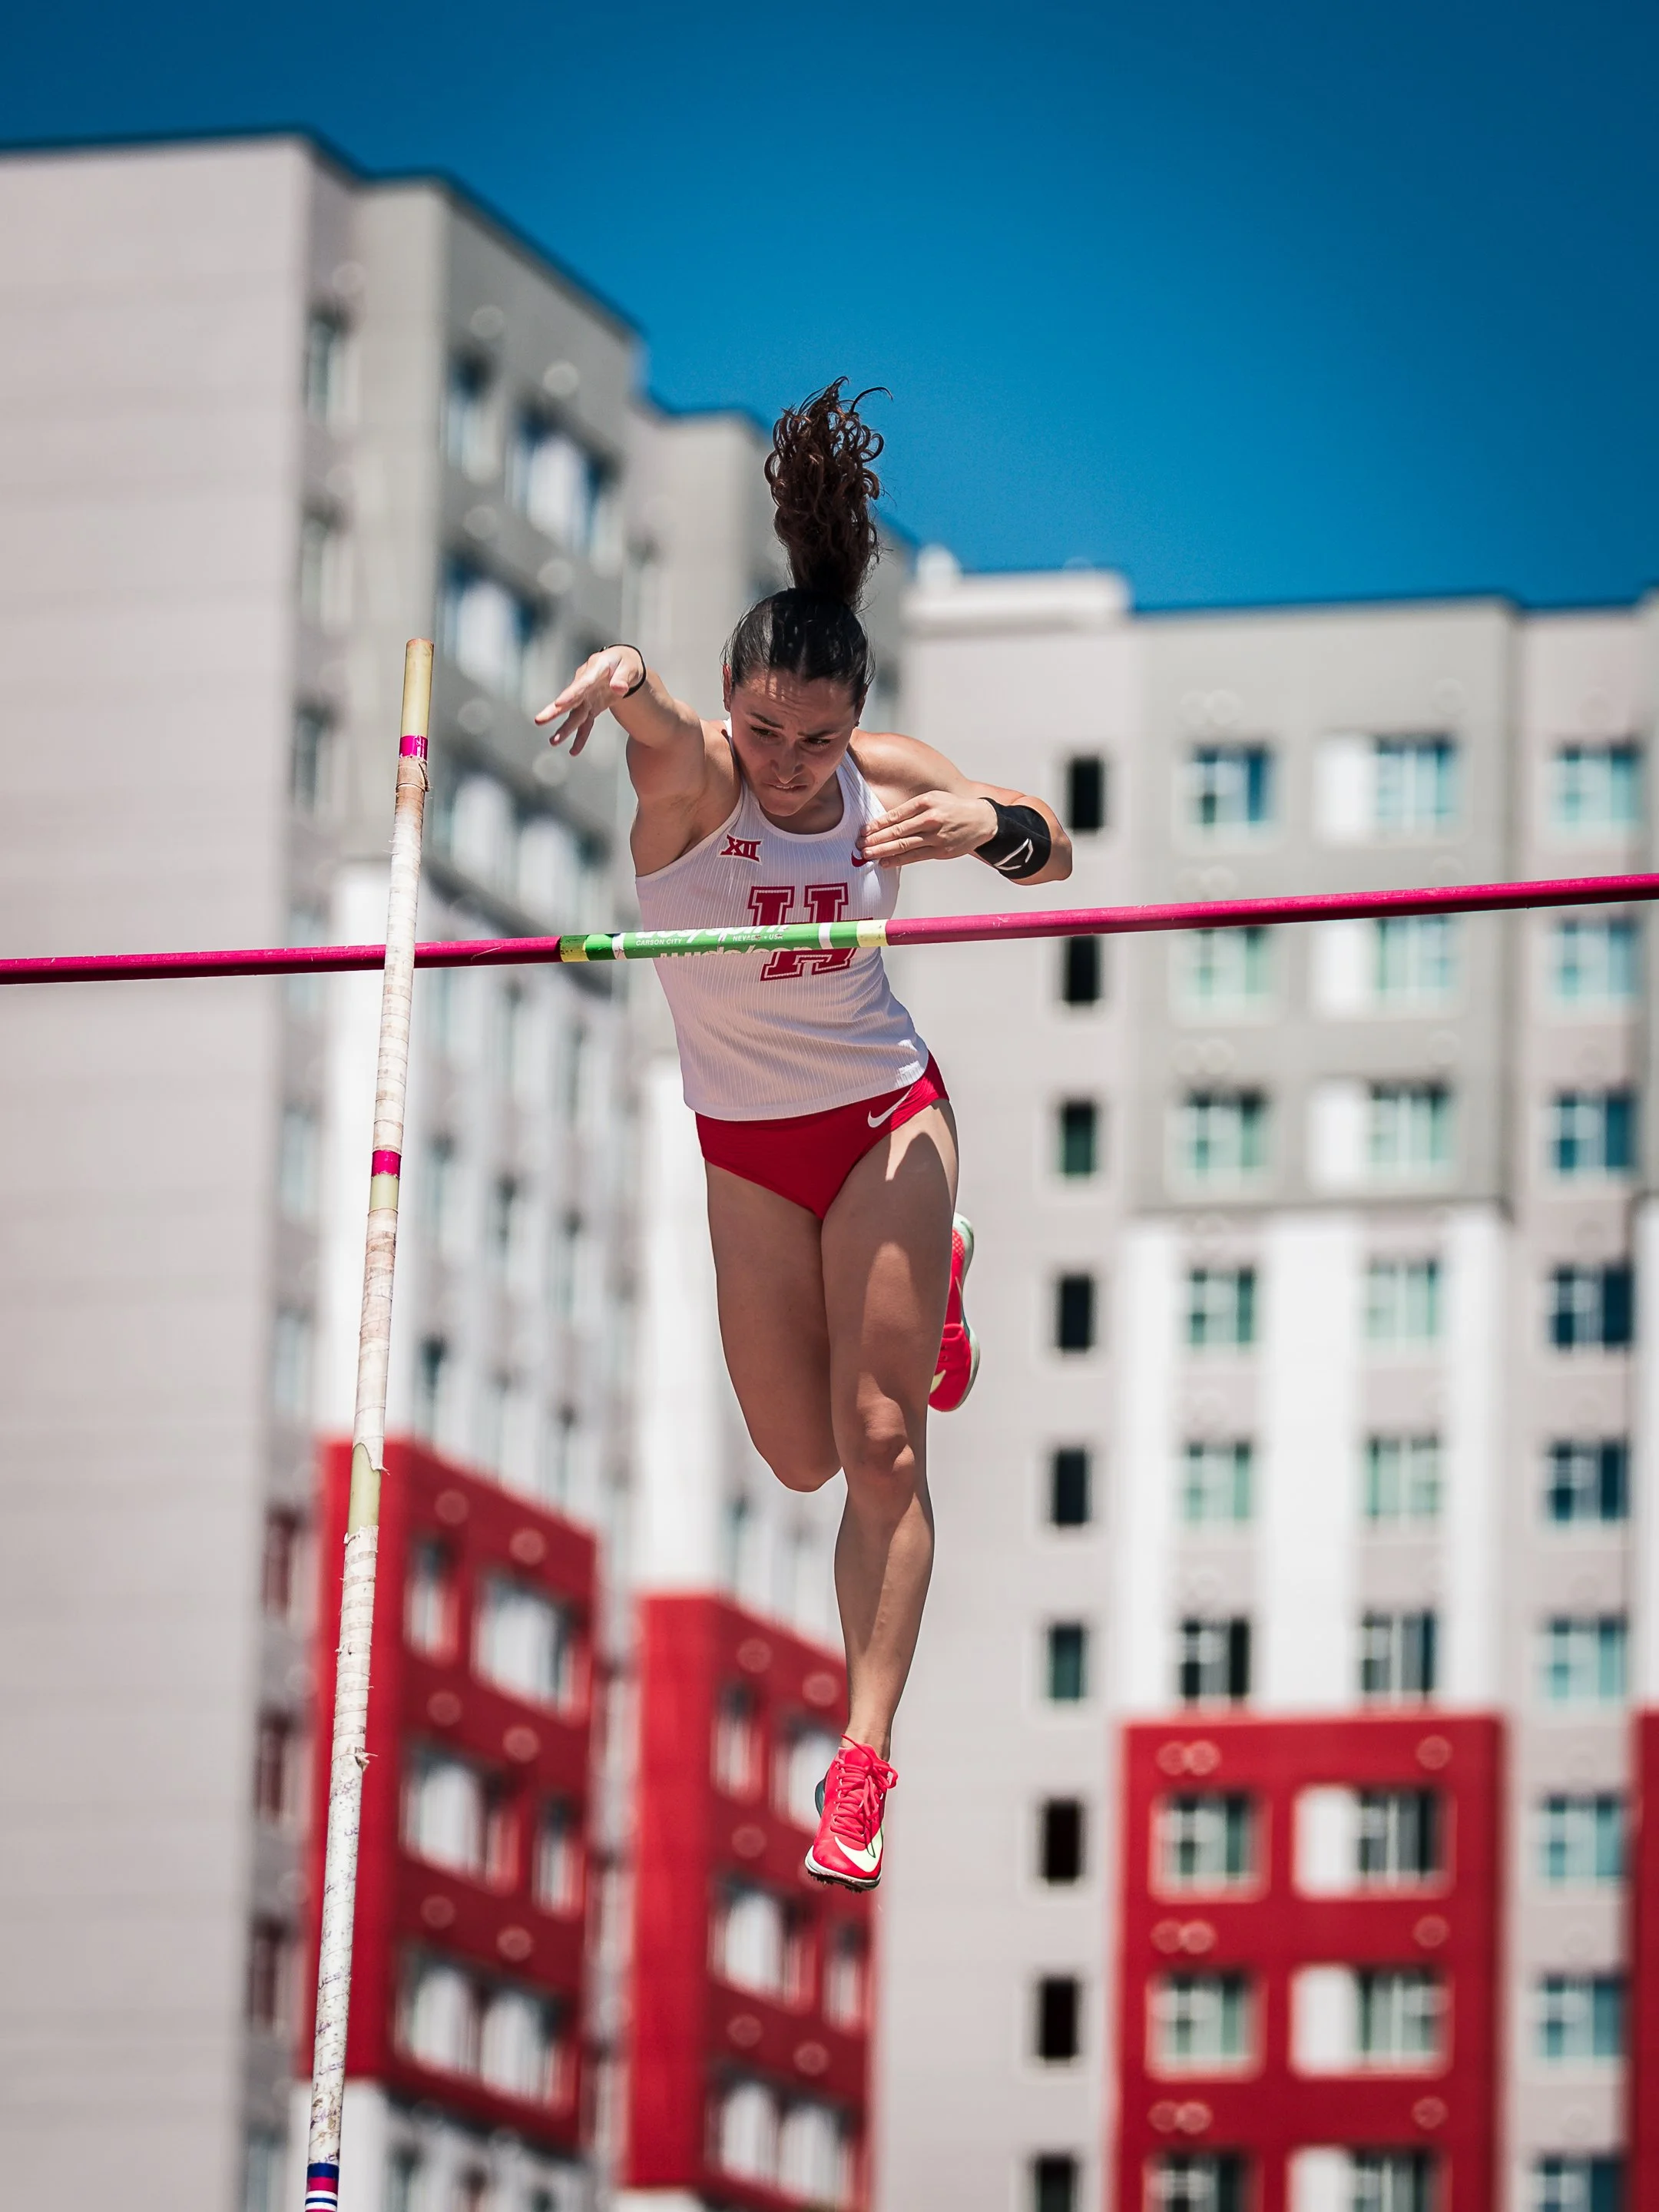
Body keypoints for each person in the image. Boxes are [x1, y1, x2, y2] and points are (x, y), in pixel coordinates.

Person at [536, 382, 1071, 1889]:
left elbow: (1044, 840)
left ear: (854, 722)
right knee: (792, 1455)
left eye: (818, 742)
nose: (790, 765)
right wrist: (632, 677)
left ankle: (861, 1757)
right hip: (748, 1148)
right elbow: (653, 728)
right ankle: (937, 1280)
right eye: (768, 728)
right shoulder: (696, 777)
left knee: (883, 1435)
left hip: (885, 1116)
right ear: (731, 696)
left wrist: (990, 829)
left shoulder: (879, 777)